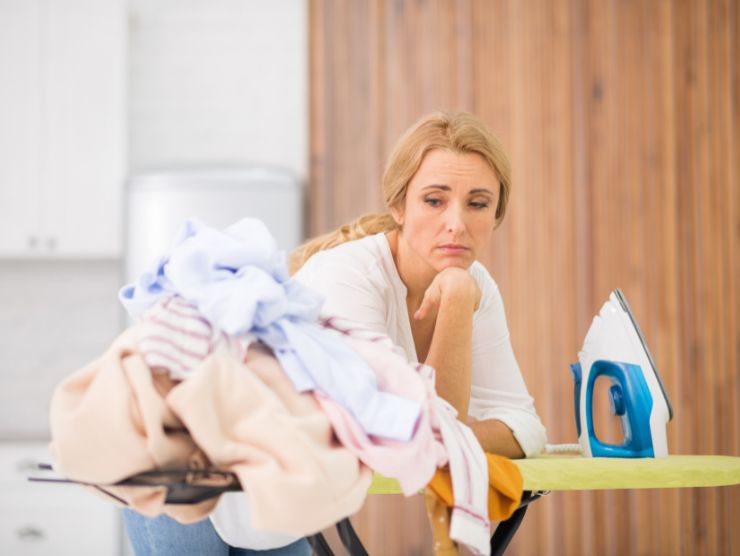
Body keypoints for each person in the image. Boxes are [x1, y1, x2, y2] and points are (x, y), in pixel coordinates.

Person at [291, 111, 546, 458]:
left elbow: (527, 427)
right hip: (231, 489)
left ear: (496, 213)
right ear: (399, 206)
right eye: (434, 201)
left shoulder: (475, 284)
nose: (456, 224)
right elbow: (420, 437)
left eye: (477, 204)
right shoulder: (348, 277)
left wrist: (450, 435)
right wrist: (455, 299)